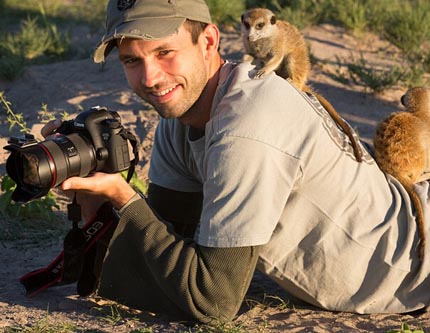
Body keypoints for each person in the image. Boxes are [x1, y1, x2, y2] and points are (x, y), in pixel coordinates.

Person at [42, 0, 430, 324]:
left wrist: (126, 200)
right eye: (131, 60)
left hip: (416, 263)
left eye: (165, 53)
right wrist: (96, 197)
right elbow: (166, 245)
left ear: (208, 41)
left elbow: (212, 300)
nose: (150, 78)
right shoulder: (182, 115)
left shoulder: (245, 126)